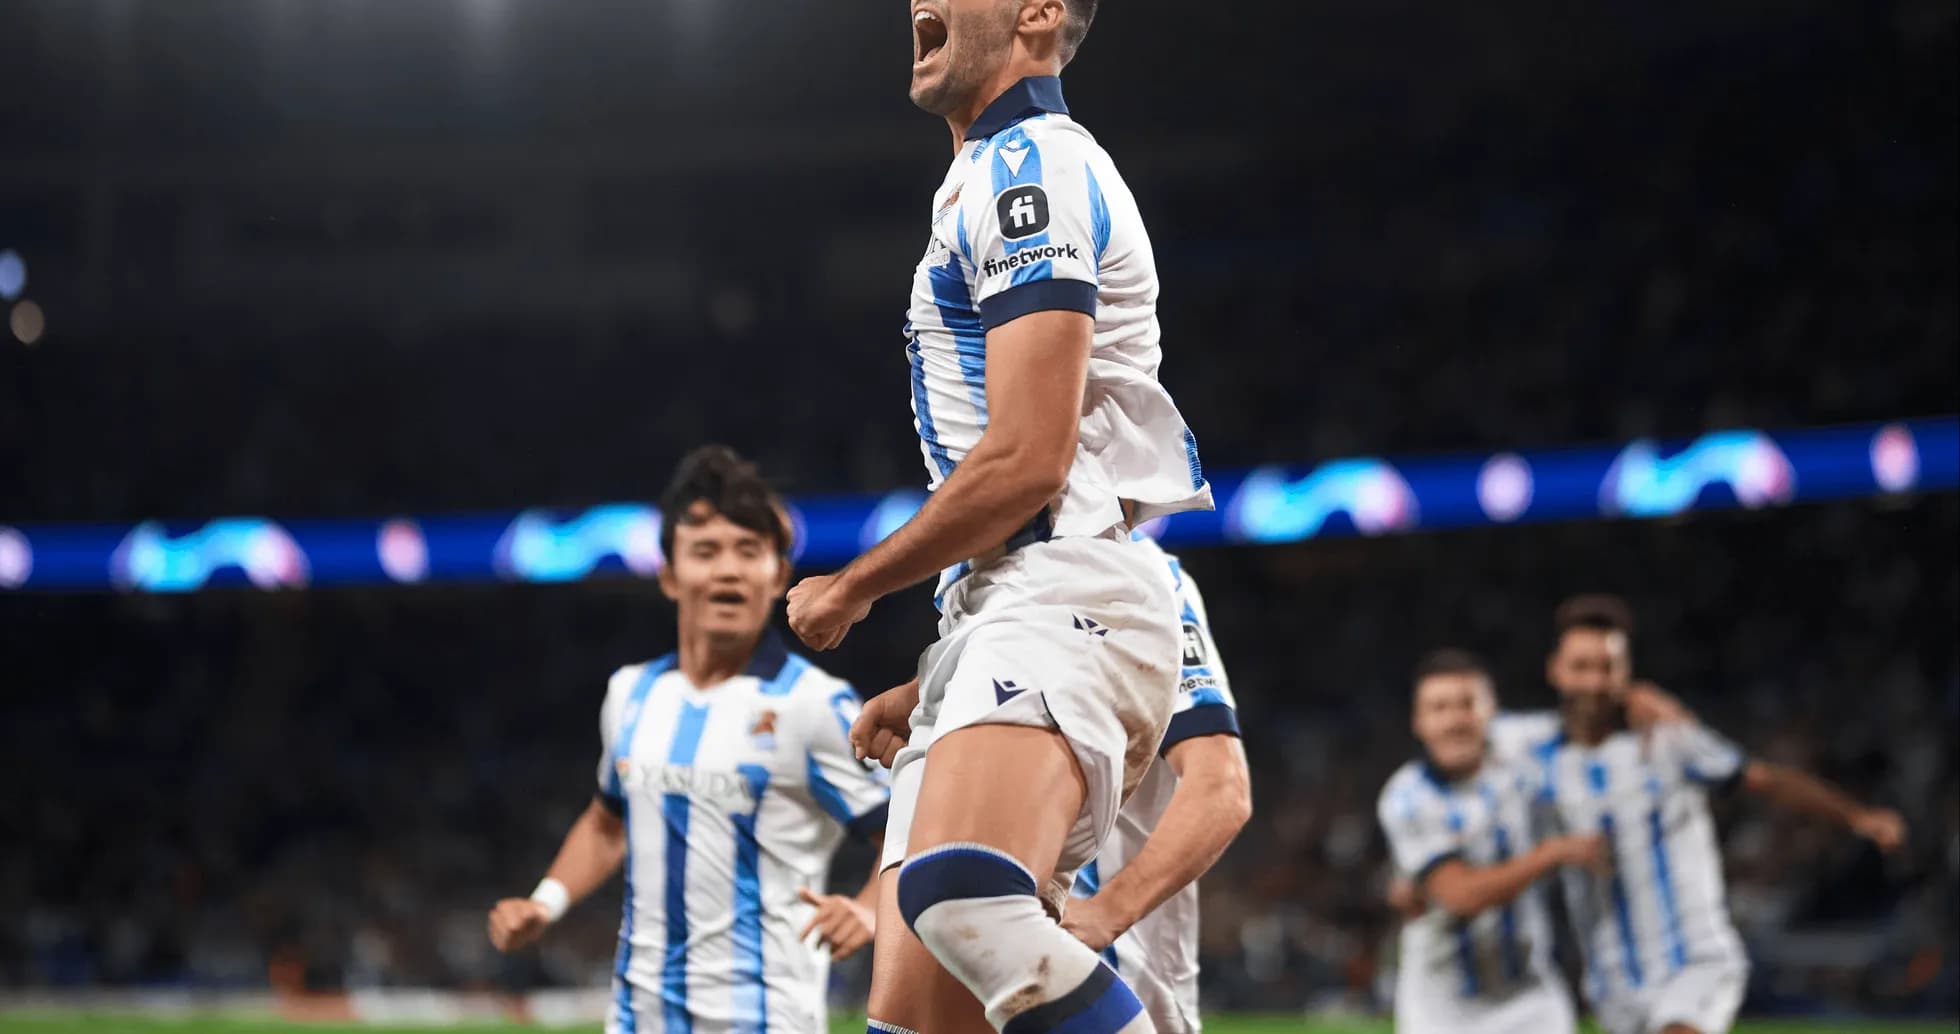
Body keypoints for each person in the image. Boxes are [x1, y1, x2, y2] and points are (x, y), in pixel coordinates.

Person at [783, 0, 1212, 1027]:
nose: (919, 1)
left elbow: (1028, 459)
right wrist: (938, 669)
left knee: (964, 900)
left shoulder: (1032, 166)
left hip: (1065, 592)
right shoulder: (986, 174)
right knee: (914, 1020)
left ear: (1039, 14)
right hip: (1009, 604)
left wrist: (852, 587)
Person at [487, 446, 890, 1033]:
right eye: (705, 551)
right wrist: (544, 902)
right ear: (670, 576)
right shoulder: (632, 693)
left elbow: (904, 827)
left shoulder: (813, 704)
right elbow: (607, 823)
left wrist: (869, 910)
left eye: (748, 551)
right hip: (637, 1018)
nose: (728, 570)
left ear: (777, 575)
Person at [1530, 594, 1909, 1034]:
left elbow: (1764, 779)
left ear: (1627, 671)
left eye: (1608, 667)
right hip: (1613, 984)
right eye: (1582, 667)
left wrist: (1856, 815)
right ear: (1555, 670)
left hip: (1693, 961)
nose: (1595, 682)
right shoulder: (1531, 755)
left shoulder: (1670, 739)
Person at [1058, 537, 1253, 1032]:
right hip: (996, 965)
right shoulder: (977, 577)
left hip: (1111, 978)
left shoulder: (1143, 578)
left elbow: (1221, 787)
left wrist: (1108, 911)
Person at [1378, 649, 1604, 1034]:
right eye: (1439, 708)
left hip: (1530, 996)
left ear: (1492, 710)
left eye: (1467, 704)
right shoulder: (1407, 797)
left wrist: (1639, 699)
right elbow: (1461, 896)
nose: (1455, 720)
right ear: (1419, 722)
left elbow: (1592, 718)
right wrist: (1550, 854)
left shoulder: (1520, 746)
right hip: (1443, 1009)